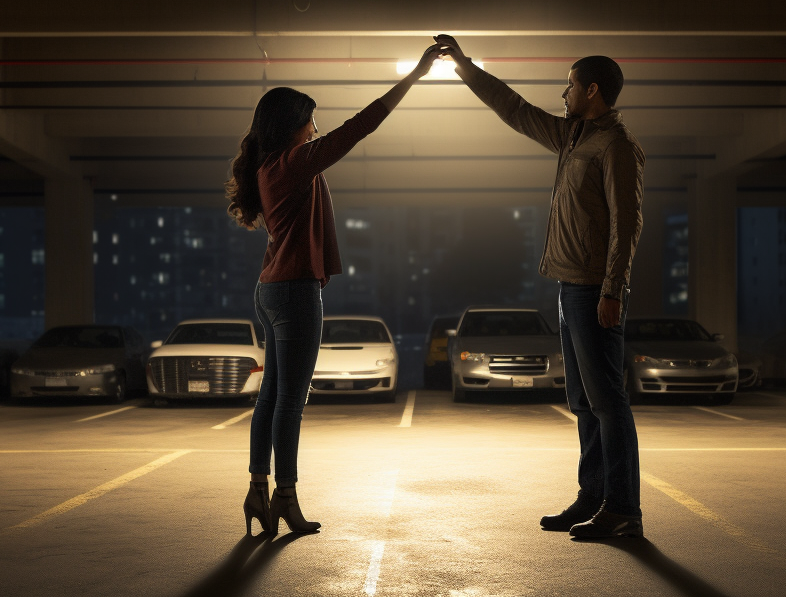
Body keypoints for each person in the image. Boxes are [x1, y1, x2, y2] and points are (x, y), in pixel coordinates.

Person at [434, 34, 646, 539]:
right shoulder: (572, 137)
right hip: (570, 286)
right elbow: (513, 107)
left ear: (592, 90)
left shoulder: (615, 147)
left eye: (569, 85)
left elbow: (628, 222)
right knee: (582, 400)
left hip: (595, 289)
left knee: (608, 401)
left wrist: (613, 290)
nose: (563, 93)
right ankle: (593, 497)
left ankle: (623, 511)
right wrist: (464, 66)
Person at [225, 48, 441, 536]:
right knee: (290, 403)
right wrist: (415, 75)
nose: (317, 129)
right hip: (296, 292)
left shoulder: (268, 165)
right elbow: (362, 125)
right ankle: (285, 498)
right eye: (312, 122)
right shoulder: (297, 162)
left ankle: (258, 493)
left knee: (270, 400)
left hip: (270, 290)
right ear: (295, 125)